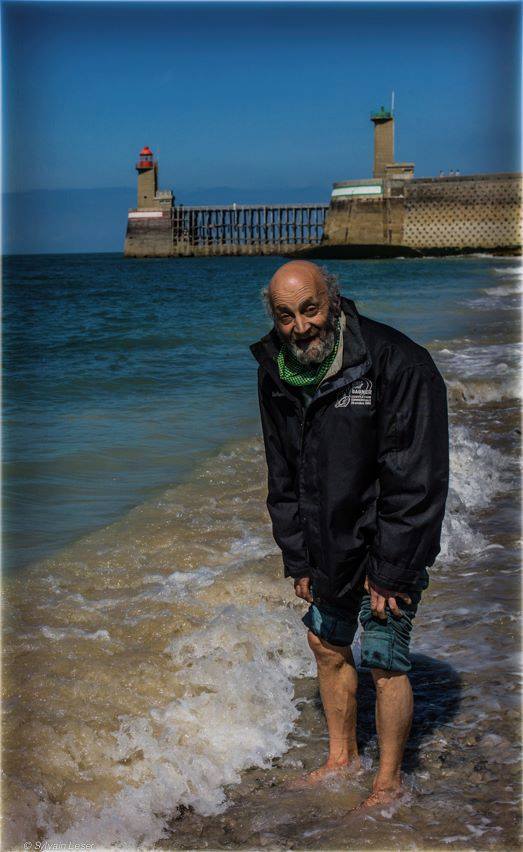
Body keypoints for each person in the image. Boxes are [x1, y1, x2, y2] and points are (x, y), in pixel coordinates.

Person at [250, 260, 449, 809]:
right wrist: (298, 557)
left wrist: (393, 569)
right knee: (325, 644)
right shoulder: (274, 369)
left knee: (385, 657)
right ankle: (342, 758)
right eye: (285, 316)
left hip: (389, 539)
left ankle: (388, 782)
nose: (300, 327)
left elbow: (418, 476)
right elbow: (282, 474)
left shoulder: (397, 361)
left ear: (332, 301)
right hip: (326, 541)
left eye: (310, 309)